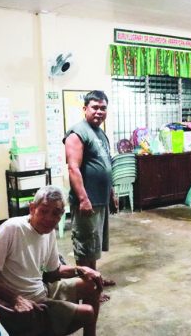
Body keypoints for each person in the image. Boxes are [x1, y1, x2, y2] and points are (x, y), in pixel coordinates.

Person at [0, 186, 102, 336]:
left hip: (42, 289)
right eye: (43, 211)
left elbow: (53, 270)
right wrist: (15, 299)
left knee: (93, 284)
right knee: (87, 313)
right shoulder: (12, 228)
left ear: (61, 216)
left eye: (56, 213)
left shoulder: (48, 232)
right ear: (32, 208)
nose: (49, 218)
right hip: (25, 300)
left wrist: (81, 270)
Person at [63, 90, 117, 291]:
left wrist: (111, 193)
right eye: (95, 107)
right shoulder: (78, 132)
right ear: (85, 108)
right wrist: (83, 199)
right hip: (87, 201)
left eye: (103, 108)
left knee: (93, 246)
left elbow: (105, 164)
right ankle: (88, 289)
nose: (99, 111)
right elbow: (73, 168)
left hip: (100, 199)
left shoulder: (100, 133)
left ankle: (95, 280)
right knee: (85, 247)